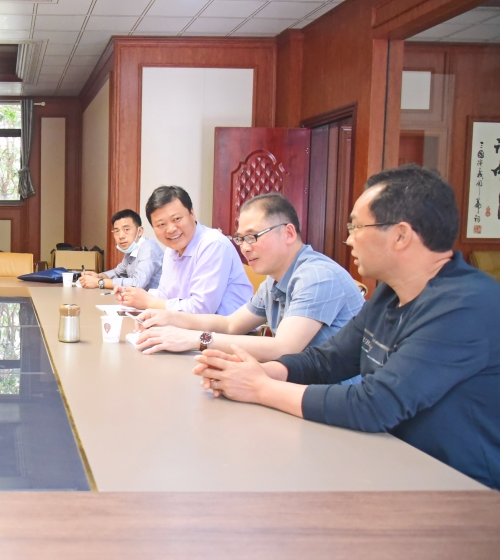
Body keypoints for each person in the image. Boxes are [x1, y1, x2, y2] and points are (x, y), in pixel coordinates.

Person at [193, 165, 500, 490]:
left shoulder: (465, 305)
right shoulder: (390, 292)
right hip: (389, 463)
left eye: (356, 226)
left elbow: (376, 405)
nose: (349, 239)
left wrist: (259, 388)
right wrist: (259, 372)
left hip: (460, 489)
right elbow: (328, 360)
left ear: (401, 235)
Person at [134, 193, 364, 367]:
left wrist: (195, 339)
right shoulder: (274, 281)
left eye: (253, 237)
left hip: (336, 399)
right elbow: (230, 324)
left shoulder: (316, 276)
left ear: (289, 233)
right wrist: (169, 317)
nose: (244, 248)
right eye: (241, 238)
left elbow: (283, 348)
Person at [116, 186, 252, 313]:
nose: (171, 229)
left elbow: (201, 309)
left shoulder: (213, 244)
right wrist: (133, 296)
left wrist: (148, 302)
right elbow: (165, 295)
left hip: (228, 329)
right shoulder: (171, 250)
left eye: (177, 219)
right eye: (161, 224)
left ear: (192, 213)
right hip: (186, 326)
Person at [79, 209, 163, 291]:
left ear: (140, 231)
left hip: (157, 299)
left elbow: (138, 283)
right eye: (117, 231)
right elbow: (117, 273)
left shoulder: (148, 249)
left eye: (126, 229)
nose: (121, 236)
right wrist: (99, 276)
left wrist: (99, 282)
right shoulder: (132, 249)